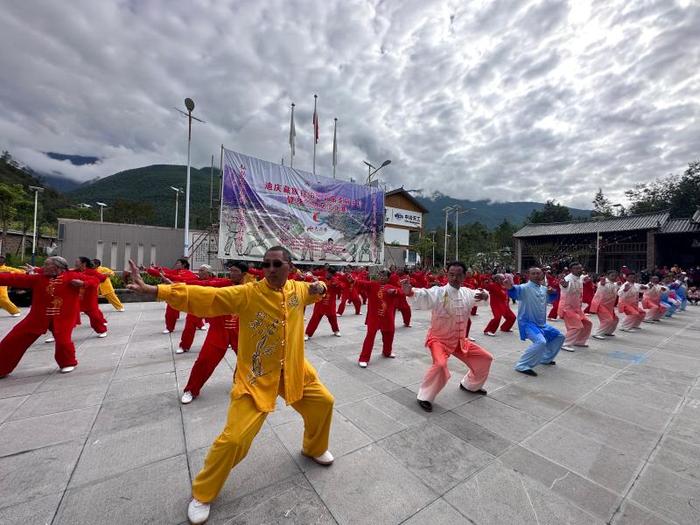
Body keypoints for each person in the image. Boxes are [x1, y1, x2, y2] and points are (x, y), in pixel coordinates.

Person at [126, 246, 334, 525]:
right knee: (234, 439)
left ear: (289, 266)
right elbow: (208, 296)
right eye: (266, 264)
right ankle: (203, 493)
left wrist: (320, 286)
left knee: (324, 402)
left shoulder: (298, 289)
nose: (270, 269)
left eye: (276, 264)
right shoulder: (248, 293)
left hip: (294, 369)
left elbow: (315, 291)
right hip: (256, 378)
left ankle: (313, 447)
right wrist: (157, 292)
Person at [403, 261, 493, 412]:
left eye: (459, 275)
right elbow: (424, 295)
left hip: (459, 341)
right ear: (447, 275)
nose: (455, 278)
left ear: (464, 276)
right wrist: (410, 292)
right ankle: (424, 396)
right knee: (440, 365)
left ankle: (470, 385)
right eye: (451, 274)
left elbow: (482, 296)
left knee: (486, 358)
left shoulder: (467, 293)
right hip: (439, 340)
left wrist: (485, 295)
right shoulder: (438, 292)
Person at [0, 256, 98, 376]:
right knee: (14, 338)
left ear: (57, 267)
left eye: (46, 264)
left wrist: (84, 283)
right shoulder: (39, 279)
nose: (43, 267)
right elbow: (15, 278)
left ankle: (68, 363)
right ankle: (1, 367)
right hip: (38, 317)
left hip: (64, 317)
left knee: (63, 342)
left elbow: (95, 281)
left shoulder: (72, 277)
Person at [180, 261, 248, 404]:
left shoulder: (251, 288)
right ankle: (191, 389)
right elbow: (205, 285)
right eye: (231, 270)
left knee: (247, 360)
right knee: (204, 359)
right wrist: (176, 285)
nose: (232, 273)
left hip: (241, 329)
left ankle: (240, 382)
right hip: (219, 328)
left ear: (244, 274)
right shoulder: (223, 283)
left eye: (235, 271)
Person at [504, 267, 564, 376]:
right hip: (527, 323)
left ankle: (545, 359)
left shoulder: (544, 289)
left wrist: (553, 293)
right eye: (533, 273)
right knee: (541, 342)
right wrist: (510, 288)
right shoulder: (525, 288)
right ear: (529, 275)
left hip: (542, 324)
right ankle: (522, 365)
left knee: (559, 336)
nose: (536, 275)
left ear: (542, 275)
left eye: (538, 273)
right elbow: (514, 291)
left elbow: (552, 299)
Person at [355, 269, 402, 368]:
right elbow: (360, 283)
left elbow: (402, 293)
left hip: (387, 317)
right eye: (380, 275)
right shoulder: (373, 285)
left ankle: (387, 352)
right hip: (374, 317)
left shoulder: (392, 287)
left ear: (388, 278)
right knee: (370, 336)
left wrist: (395, 291)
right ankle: (363, 358)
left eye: (384, 275)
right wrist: (352, 280)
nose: (382, 277)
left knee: (389, 334)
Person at [147, 259, 198, 334]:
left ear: (183, 265)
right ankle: (169, 327)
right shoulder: (175, 272)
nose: (177, 264)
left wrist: (165, 275)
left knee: (194, 310)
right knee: (170, 310)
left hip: (186, 293)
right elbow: (165, 271)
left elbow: (180, 278)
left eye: (178, 263)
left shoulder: (189, 273)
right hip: (175, 293)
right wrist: (152, 269)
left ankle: (199, 324)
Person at [558, 262, 592, 351]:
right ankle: (565, 343)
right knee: (576, 326)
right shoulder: (567, 279)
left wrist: (586, 280)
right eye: (576, 268)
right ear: (571, 270)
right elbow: (565, 287)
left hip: (577, 307)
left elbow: (582, 280)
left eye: (580, 268)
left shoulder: (579, 278)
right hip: (567, 307)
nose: (579, 270)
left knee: (587, 324)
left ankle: (579, 341)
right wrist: (565, 286)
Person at [305, 267, 343, 340]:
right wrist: (307, 277)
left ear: (332, 275)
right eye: (327, 272)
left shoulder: (335, 281)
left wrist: (337, 285)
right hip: (320, 303)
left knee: (333, 318)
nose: (327, 274)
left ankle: (336, 330)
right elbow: (312, 279)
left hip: (330, 303)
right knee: (315, 318)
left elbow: (340, 288)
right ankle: (307, 333)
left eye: (329, 273)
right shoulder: (321, 279)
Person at [76, 257, 109, 338]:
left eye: (77, 262)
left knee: (94, 315)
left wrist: (88, 282)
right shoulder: (76, 271)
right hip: (78, 298)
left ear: (83, 264)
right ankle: (59, 334)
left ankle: (102, 329)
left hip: (89, 298)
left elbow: (102, 278)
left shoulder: (91, 272)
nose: (75, 263)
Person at [590, 271, 620, 339]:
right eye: (612, 275)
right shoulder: (603, 282)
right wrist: (602, 285)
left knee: (615, 319)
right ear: (607, 276)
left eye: (615, 276)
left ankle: (608, 331)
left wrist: (618, 286)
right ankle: (597, 333)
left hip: (609, 306)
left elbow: (616, 292)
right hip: (601, 304)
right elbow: (600, 288)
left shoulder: (614, 284)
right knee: (607, 320)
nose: (614, 277)